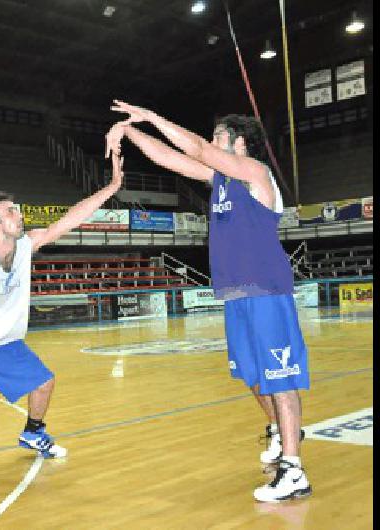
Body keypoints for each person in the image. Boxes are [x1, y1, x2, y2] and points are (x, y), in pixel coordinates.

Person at [108, 100, 310, 502]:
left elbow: (196, 148)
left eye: (220, 136)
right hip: (236, 292)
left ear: (240, 145)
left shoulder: (256, 173)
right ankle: (282, 431)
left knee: (280, 378)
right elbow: (168, 157)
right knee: (253, 376)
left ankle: (294, 471)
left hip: (266, 289)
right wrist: (128, 131)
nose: (212, 142)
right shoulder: (221, 181)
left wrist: (149, 115)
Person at [0, 135, 126, 508]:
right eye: (11, 211)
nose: (19, 214)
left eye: (17, 209)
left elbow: (71, 219)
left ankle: (33, 433)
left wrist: (111, 187)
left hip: (4, 341)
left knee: (45, 383)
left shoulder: (28, 245)